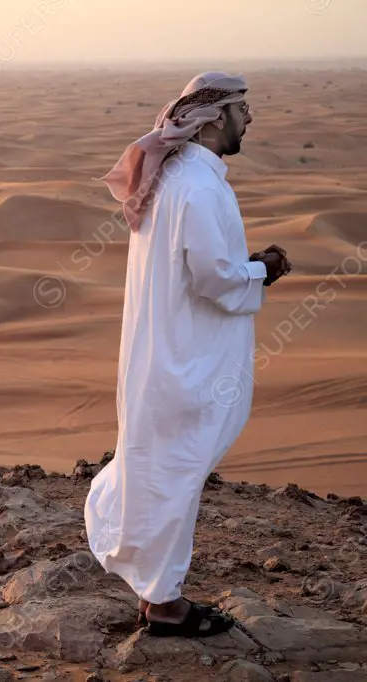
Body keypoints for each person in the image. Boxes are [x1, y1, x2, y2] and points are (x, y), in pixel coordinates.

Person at [83, 71, 292, 638]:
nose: (249, 119)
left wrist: (240, 265)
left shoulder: (174, 178)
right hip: (184, 362)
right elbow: (212, 278)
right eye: (242, 109)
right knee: (175, 472)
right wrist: (262, 268)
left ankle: (157, 592)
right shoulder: (197, 186)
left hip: (164, 353)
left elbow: (197, 265)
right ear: (215, 118)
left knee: (163, 469)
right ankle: (166, 605)